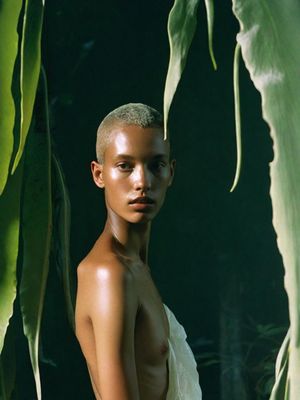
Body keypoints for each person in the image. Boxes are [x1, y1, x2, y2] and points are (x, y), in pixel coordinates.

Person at [75, 103, 202, 399]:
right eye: (125, 166)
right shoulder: (109, 274)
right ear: (99, 174)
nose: (142, 182)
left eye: (155, 165)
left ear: (170, 172)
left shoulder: (134, 266)